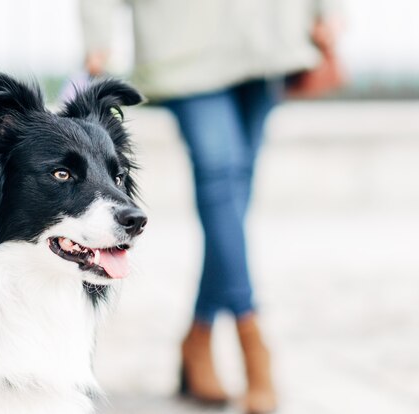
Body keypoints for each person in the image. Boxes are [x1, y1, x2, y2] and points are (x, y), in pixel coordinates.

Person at [80, 1, 340, 413]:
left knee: (232, 200)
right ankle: (253, 342)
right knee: (221, 179)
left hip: (268, 34)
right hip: (184, 40)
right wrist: (97, 37)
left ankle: (198, 337)